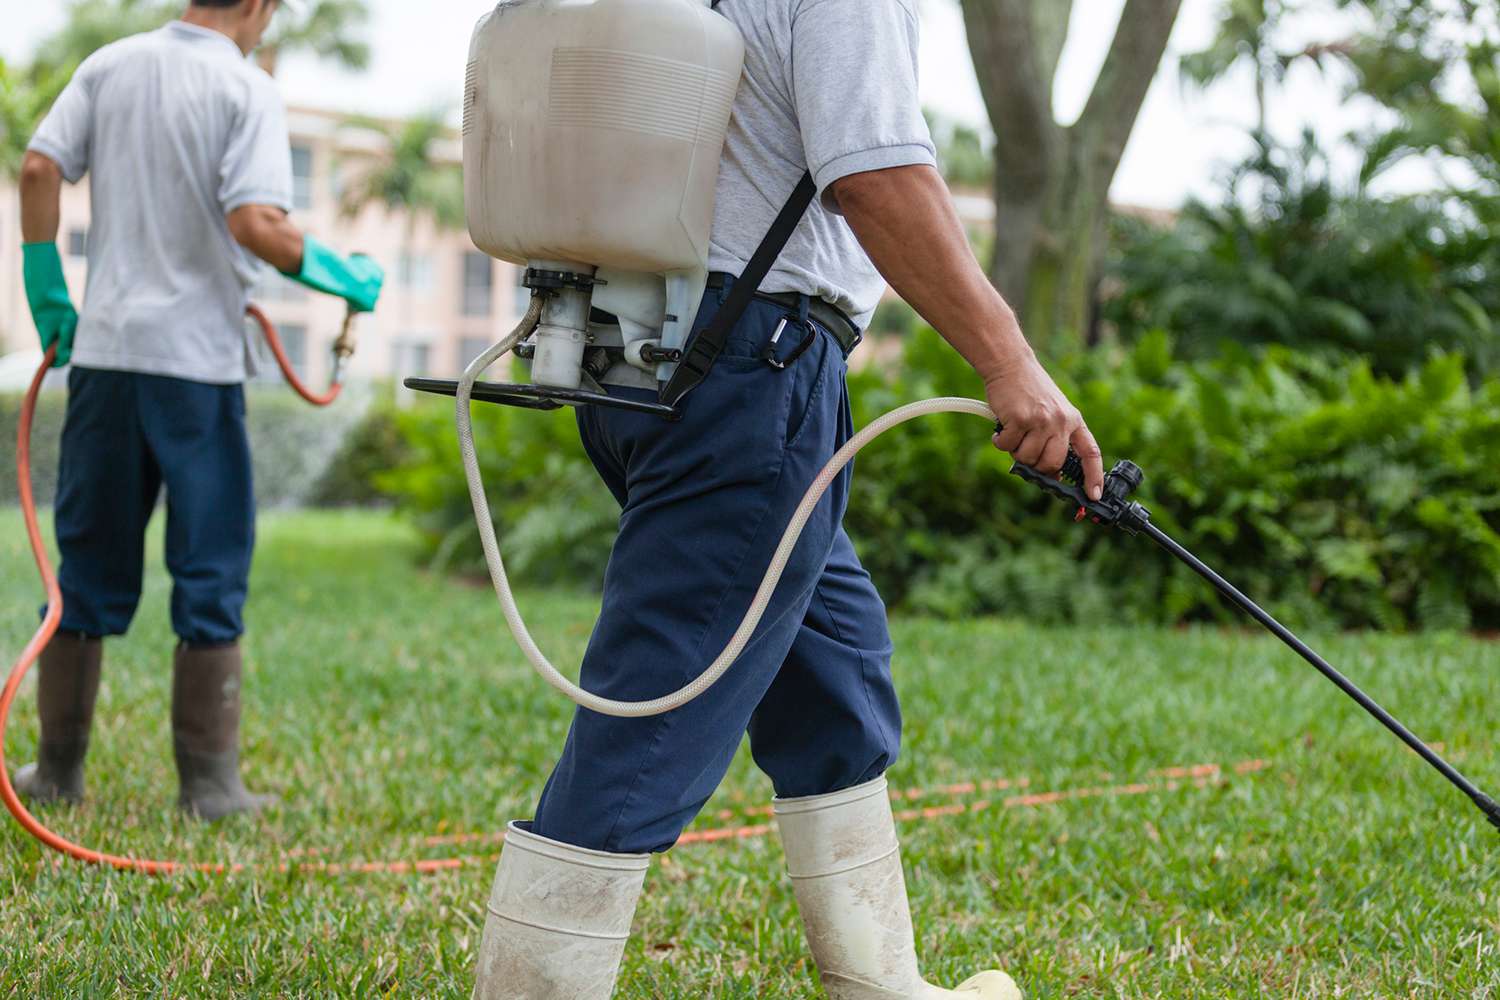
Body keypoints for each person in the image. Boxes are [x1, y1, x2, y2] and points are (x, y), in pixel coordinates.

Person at [471, 1, 1104, 998]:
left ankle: (878, 979)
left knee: (834, 667)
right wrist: (1009, 362)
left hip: (633, 352)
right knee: (659, 700)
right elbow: (876, 174)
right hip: (747, 366)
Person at [13, 0, 383, 821]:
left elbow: (38, 170)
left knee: (86, 564)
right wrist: (342, 274)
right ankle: (209, 787)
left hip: (106, 361)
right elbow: (254, 221)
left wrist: (47, 286)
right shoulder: (243, 88)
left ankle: (57, 774)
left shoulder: (111, 64)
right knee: (210, 564)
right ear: (256, 5)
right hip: (195, 370)